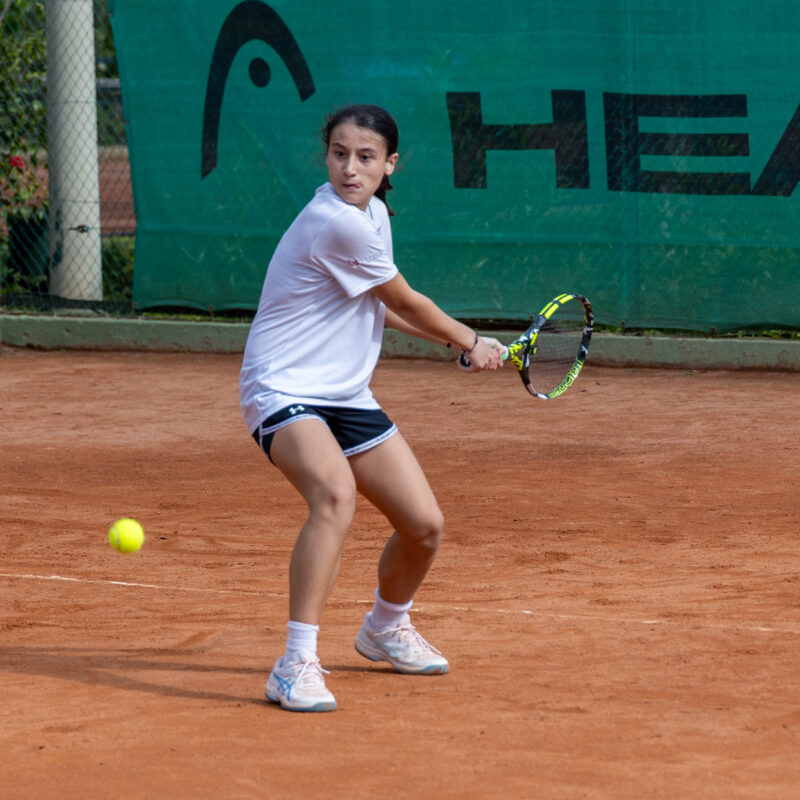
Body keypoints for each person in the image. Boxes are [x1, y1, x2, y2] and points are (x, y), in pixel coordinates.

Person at [239, 104, 504, 712]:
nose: (350, 168)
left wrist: (456, 344)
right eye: (338, 153)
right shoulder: (337, 222)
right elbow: (406, 298)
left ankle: (384, 628)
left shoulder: (374, 215)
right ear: (325, 156)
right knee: (333, 496)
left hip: (345, 394)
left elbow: (378, 307)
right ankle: (294, 662)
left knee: (424, 526)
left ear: (390, 165)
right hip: (282, 389)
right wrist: (470, 340)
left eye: (365, 157)